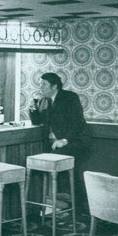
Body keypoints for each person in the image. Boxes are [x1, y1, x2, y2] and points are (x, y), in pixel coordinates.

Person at [29, 72, 91, 208]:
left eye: (44, 84)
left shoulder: (69, 97)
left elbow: (77, 123)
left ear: (54, 86)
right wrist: (33, 104)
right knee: (47, 159)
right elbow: (36, 120)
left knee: (61, 161)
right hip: (56, 144)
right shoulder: (43, 100)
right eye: (40, 84)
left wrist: (64, 140)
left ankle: (75, 203)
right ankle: (53, 199)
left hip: (76, 141)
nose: (41, 87)